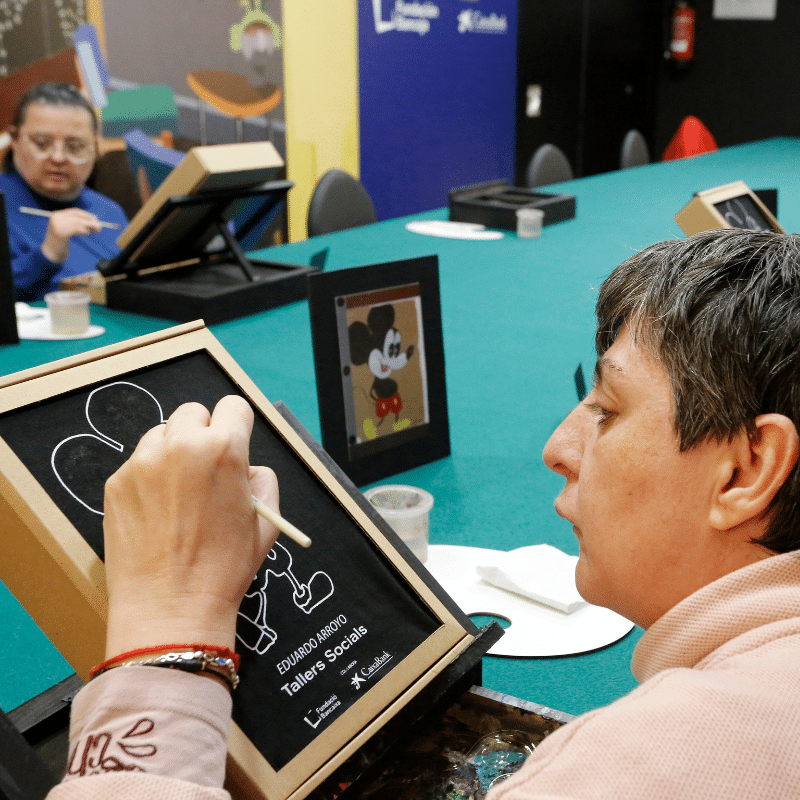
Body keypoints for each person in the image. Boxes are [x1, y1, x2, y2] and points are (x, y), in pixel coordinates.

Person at [47, 228, 799, 799]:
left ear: (747, 469)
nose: (558, 447)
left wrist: (163, 639)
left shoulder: (630, 772)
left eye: (606, 407)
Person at [0, 82, 128, 302]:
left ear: (96, 148)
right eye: (41, 143)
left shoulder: (109, 211)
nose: (58, 158)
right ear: (15, 140)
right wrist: (47, 254)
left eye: (75, 146)